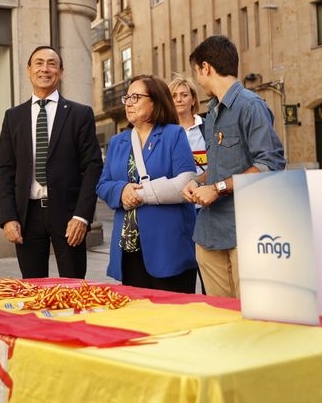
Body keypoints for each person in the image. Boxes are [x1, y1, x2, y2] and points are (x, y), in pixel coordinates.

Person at [182, 35, 286, 298]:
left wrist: (216, 189)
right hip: (208, 235)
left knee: (251, 319)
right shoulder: (213, 111)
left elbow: (270, 165)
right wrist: (199, 181)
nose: (198, 80)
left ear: (206, 67)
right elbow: (221, 167)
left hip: (244, 234)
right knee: (220, 319)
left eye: (197, 72)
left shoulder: (251, 106)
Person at [0, 46, 103, 279]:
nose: (45, 69)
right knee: (33, 289)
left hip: (68, 216)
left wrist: (82, 216)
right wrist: (8, 217)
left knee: (73, 288)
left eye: (52, 64)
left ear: (61, 72)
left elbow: (93, 167)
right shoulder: (13, 117)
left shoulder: (79, 114)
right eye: (39, 63)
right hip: (28, 216)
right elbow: (6, 170)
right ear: (28, 70)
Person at [97, 75, 198, 292]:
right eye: (127, 97)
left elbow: (186, 184)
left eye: (136, 97)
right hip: (130, 248)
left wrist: (139, 195)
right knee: (139, 318)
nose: (129, 102)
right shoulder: (117, 142)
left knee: (174, 316)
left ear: (155, 101)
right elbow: (103, 184)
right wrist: (121, 190)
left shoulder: (173, 134)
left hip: (168, 247)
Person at [169, 76, 207, 175]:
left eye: (184, 95)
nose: (178, 100)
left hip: (204, 188)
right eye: (173, 96)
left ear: (193, 100)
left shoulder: (208, 127)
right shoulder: (164, 132)